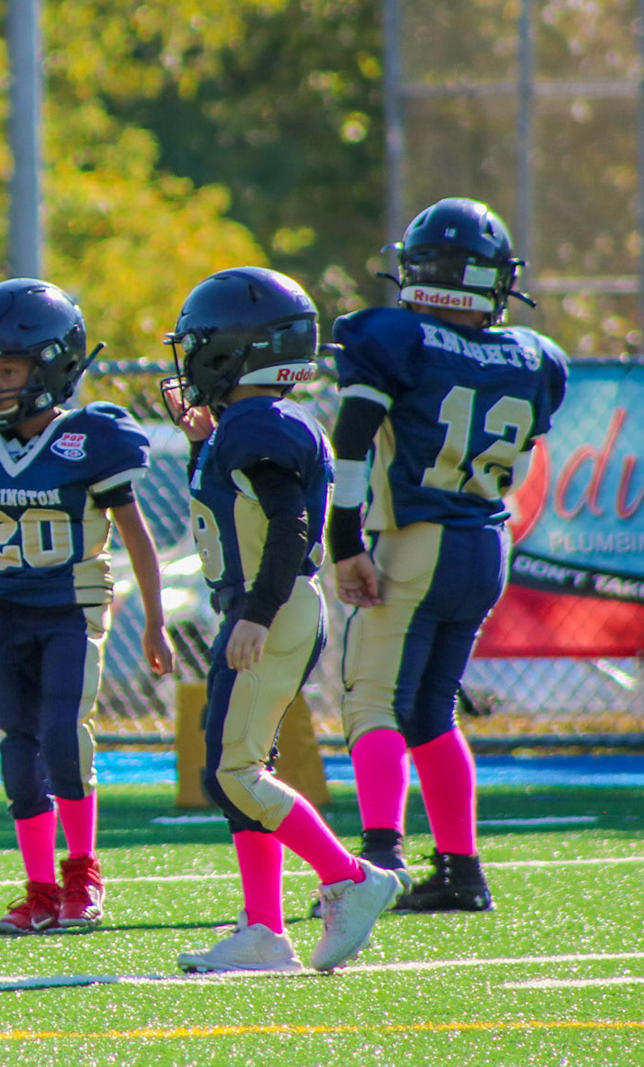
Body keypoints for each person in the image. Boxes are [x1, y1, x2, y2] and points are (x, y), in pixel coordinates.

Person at [163, 266, 404, 975]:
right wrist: (201, 440)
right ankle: (264, 930)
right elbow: (238, 506)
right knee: (238, 767)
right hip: (271, 606)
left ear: (232, 352)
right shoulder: (255, 423)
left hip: (270, 607)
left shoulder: (258, 426)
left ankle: (350, 879)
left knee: (233, 771)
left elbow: (289, 525)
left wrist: (257, 614)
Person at [331, 198, 568, 911]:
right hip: (486, 540)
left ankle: (379, 863)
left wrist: (344, 541)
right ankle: (461, 871)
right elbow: (518, 455)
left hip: (418, 536)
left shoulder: (395, 336)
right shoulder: (532, 356)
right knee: (433, 710)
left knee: (372, 700)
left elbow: (351, 443)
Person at [0, 280, 173, 934]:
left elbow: (137, 536)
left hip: (72, 607)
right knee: (16, 747)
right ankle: (38, 889)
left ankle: (82, 872)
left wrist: (155, 620)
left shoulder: (92, 438)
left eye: (8, 370)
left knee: (62, 734)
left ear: (53, 367)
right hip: (8, 608)